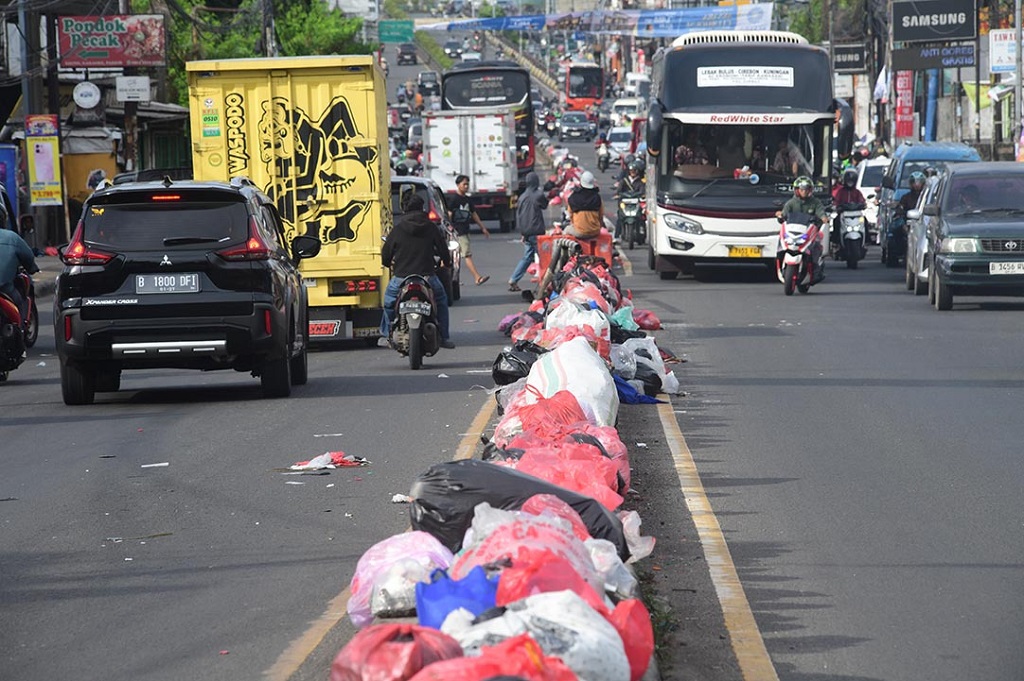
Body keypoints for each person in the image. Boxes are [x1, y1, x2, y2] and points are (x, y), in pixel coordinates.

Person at [380, 192, 454, 349]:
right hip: (427, 276)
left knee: (388, 302)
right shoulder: (431, 227)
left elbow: (386, 254)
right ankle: (445, 337)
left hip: (401, 277)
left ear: (404, 209)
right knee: (441, 301)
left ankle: (386, 334)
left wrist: (388, 263)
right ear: (422, 208)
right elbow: (443, 250)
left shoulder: (398, 229)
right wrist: (445, 262)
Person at [776, 176, 828, 282]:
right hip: (793, 232)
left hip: (810, 232)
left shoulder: (815, 202)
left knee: (817, 247)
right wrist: (780, 215)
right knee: (781, 246)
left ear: (810, 190)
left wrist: (823, 217)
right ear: (797, 190)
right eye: (802, 189)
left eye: (806, 189)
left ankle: (816, 272)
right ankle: (780, 265)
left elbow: (820, 212)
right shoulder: (791, 203)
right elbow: (784, 213)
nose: (804, 192)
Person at [507, 171, 549, 292]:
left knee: (527, 257)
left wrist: (523, 233)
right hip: (537, 231)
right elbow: (545, 205)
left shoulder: (522, 197)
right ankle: (545, 283)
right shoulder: (538, 195)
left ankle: (514, 279)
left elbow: (520, 215)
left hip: (526, 231)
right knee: (544, 257)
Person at [449, 174, 490, 285]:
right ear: (458, 185)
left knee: (456, 257)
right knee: (466, 255)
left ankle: (454, 280)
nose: (466, 186)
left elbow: (474, 214)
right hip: (459, 231)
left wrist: (483, 228)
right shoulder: (454, 199)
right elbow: (449, 214)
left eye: (467, 184)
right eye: (464, 184)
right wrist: (450, 227)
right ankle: (477, 277)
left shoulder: (467, 199)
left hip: (465, 230)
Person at [0, 223, 38, 328]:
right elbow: (28, 256)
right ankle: (20, 331)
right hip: (5, 288)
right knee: (20, 303)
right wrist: (32, 268)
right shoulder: (12, 237)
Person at [831, 167, 867, 247]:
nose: (850, 183)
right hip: (844, 214)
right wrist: (836, 206)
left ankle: (867, 239)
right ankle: (836, 240)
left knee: (865, 221)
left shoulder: (857, 192)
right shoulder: (841, 192)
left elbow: (862, 201)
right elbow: (836, 201)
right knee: (836, 221)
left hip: (857, 215)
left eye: (852, 180)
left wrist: (863, 205)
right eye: (848, 180)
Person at [565, 171, 604, 238]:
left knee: (565, 231)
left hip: (579, 232)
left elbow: (570, 214)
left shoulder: (574, 197)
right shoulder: (597, 197)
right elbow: (601, 215)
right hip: (595, 232)